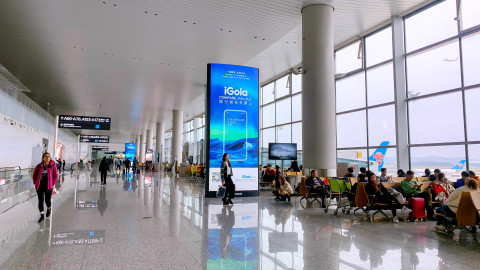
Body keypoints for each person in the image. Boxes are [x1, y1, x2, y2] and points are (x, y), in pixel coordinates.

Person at [32, 152, 59, 223]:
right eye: (46, 157)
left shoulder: (53, 166)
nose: (48, 158)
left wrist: (52, 183)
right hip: (40, 186)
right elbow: (34, 175)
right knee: (41, 201)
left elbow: (56, 176)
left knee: (47, 200)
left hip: (48, 186)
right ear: (43, 158)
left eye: (49, 157)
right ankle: (42, 216)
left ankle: (49, 209)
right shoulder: (39, 166)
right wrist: (35, 182)